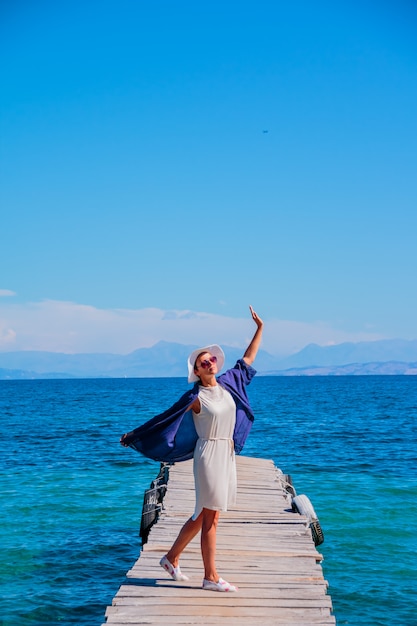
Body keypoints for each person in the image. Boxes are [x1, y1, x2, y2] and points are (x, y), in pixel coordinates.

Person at [120, 305, 263, 592]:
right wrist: (136, 434)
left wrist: (260, 329)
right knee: (210, 517)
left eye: (210, 358)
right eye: (202, 362)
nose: (209, 362)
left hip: (226, 454)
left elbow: (247, 359)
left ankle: (171, 559)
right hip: (209, 456)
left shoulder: (229, 384)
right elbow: (166, 417)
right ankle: (210, 576)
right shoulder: (196, 397)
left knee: (203, 515)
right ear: (196, 371)